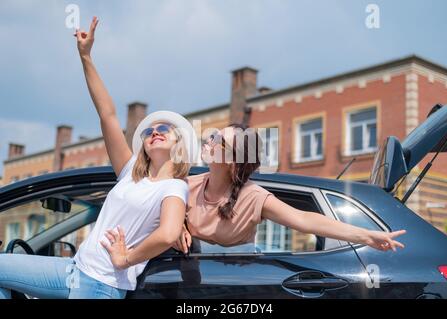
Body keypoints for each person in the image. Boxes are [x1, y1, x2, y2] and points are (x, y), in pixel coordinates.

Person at [0, 16, 198, 299]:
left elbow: (168, 233)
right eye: (149, 131)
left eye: (164, 129)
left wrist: (126, 258)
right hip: (74, 270)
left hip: (101, 285)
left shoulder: (174, 186)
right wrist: (86, 56)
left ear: (179, 141)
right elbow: (107, 115)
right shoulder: (131, 172)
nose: (155, 132)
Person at [170, 124, 406, 254]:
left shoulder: (253, 197)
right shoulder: (185, 185)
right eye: (213, 135)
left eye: (218, 141)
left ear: (232, 162)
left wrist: (367, 235)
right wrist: (176, 227)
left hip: (240, 286)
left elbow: (304, 219)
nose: (208, 141)